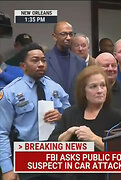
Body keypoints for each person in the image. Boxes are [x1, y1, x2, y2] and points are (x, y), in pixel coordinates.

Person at [0, 43, 70, 180]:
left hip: (55, 153)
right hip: (26, 153)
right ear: (22, 66)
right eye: (35, 60)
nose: (41, 64)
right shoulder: (10, 92)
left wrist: (61, 116)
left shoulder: (55, 88)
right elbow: (2, 132)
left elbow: (71, 118)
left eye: (43, 60)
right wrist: (7, 168)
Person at [49, 65, 121, 179]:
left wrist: (93, 138)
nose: (100, 90)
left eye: (103, 85)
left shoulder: (116, 116)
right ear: (83, 91)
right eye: (93, 86)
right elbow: (49, 147)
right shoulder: (70, 113)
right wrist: (66, 134)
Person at [45, 21, 86, 105]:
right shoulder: (44, 61)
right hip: (52, 112)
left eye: (71, 34)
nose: (68, 37)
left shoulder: (80, 63)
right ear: (54, 37)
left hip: (75, 113)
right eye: (63, 34)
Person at [95, 52, 121, 117]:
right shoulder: (88, 91)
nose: (111, 69)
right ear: (96, 68)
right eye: (106, 66)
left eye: (113, 66)